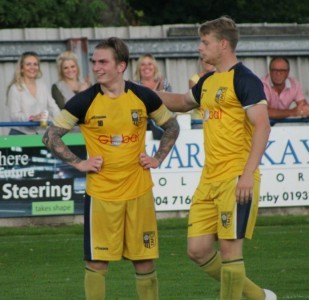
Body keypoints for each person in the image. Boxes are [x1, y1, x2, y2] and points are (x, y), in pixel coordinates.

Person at [42, 37, 179, 300]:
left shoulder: (143, 96)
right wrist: (79, 163)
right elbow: (50, 136)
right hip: (102, 196)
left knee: (145, 262)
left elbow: (172, 125)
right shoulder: (84, 101)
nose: (97, 67)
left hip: (139, 193)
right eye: (94, 62)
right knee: (97, 263)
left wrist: (158, 158)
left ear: (121, 66)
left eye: (103, 62)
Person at [157, 16, 276, 300]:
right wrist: (147, 94)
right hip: (209, 178)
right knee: (197, 250)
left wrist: (247, 174)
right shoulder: (208, 80)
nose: (200, 47)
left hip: (236, 178)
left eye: (205, 42)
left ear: (223, 44)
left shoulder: (245, 80)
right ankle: (259, 297)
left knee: (229, 250)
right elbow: (183, 102)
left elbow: (263, 125)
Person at [6, 51, 60, 135]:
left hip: (40, 134)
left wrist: (63, 120)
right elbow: (14, 115)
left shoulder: (42, 86)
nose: (32, 67)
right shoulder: (15, 88)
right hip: (20, 134)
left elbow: (53, 107)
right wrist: (31, 117)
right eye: (28, 64)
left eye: (35, 64)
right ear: (21, 68)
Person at [134, 53, 173, 140]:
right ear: (138, 68)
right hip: (142, 126)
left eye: (149, 64)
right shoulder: (134, 86)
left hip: (163, 122)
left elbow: (171, 105)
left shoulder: (165, 84)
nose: (146, 67)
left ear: (154, 67)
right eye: (142, 64)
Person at [188, 58, 215, 129]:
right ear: (201, 61)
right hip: (199, 121)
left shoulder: (221, 77)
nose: (208, 62)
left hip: (217, 119)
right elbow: (197, 103)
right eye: (205, 59)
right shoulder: (194, 80)